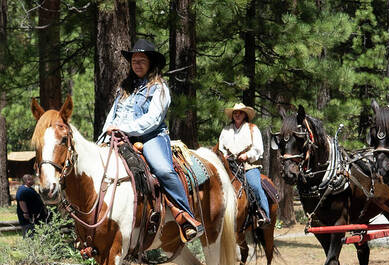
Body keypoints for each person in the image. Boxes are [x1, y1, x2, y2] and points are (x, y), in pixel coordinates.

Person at [101, 38, 202, 241]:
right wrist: (103, 136)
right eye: (134, 61)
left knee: (163, 169)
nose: (137, 64)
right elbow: (112, 117)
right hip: (118, 137)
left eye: (142, 61)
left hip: (150, 137)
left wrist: (122, 128)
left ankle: (186, 217)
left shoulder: (160, 88)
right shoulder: (124, 88)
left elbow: (153, 119)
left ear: (151, 64)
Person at [218, 103, 270, 227]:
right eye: (235, 113)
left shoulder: (252, 128)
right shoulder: (226, 130)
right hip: (229, 165)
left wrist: (247, 155)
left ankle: (263, 214)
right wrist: (224, 155)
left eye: (240, 112)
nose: (237, 114)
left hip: (247, 165)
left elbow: (258, 149)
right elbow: (221, 147)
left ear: (245, 114)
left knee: (255, 186)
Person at [16, 174, 48, 238]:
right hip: (28, 217)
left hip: (35, 216)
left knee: (35, 232)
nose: (33, 180)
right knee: (28, 232)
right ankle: (29, 245)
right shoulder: (22, 190)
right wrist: (25, 212)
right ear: (27, 180)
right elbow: (21, 201)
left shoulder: (29, 189)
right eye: (31, 179)